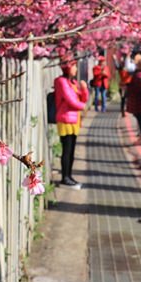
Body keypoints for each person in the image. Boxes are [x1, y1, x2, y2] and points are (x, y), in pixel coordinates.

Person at [54, 59, 89, 187]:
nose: (76, 69)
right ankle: (64, 177)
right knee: (66, 150)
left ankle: (69, 175)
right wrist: (83, 106)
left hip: (74, 120)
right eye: (74, 66)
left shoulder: (72, 82)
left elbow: (82, 98)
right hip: (65, 119)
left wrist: (84, 90)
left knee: (72, 150)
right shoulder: (61, 82)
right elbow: (70, 100)